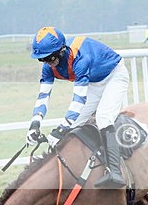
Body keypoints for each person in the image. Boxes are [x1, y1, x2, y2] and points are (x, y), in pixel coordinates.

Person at [25, 26, 129, 188]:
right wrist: (34, 124)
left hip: (115, 76)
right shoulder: (48, 67)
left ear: (61, 50)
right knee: (73, 124)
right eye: (42, 59)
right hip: (94, 82)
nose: (48, 63)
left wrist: (60, 130)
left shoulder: (80, 59)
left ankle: (115, 172)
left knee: (103, 117)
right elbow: (43, 96)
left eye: (50, 57)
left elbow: (78, 99)